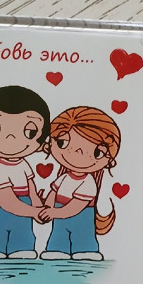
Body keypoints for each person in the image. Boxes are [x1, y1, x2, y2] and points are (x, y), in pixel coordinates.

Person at [0, 86, 50, 259]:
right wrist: (33, 211)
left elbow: (31, 188)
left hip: (25, 207)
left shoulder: (24, 164)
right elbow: (6, 200)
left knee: (23, 236)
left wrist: (38, 207)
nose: (11, 138)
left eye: (29, 132)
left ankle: (22, 248)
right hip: (0, 209)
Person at [38, 106, 120, 260]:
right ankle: (57, 249)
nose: (78, 153)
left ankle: (86, 250)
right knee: (58, 236)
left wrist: (54, 212)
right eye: (62, 143)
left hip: (80, 217)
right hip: (60, 217)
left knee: (83, 239)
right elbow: (53, 193)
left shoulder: (88, 183)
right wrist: (47, 208)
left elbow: (75, 207)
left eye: (97, 152)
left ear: (109, 161)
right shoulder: (64, 177)